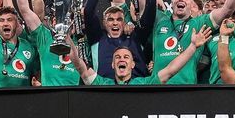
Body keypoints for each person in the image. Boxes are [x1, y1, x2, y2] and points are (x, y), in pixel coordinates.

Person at [152, 0, 235, 85]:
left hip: (186, 89)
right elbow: (143, 3)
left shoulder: (200, 22)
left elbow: (227, 9)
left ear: (192, 4)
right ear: (172, 2)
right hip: (157, 87)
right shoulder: (160, 19)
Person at [68, 25, 212, 85]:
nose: (121, 59)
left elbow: (170, 70)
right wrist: (66, 36)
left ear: (133, 64)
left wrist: (192, 47)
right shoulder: (103, 84)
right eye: (117, 57)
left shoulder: (144, 84)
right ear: (112, 64)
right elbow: (79, 66)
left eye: (126, 57)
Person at [84, 0, 157, 79]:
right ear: (104, 23)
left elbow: (150, 15)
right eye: (110, 19)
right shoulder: (97, 37)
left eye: (119, 19)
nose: (115, 23)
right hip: (106, 91)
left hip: (137, 91)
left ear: (124, 22)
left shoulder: (135, 36)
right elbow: (88, 12)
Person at [13, 0, 81, 86]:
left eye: (65, 17)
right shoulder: (44, 36)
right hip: (49, 98)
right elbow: (24, 9)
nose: (60, 21)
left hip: (75, 98)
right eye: (56, 18)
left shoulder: (81, 40)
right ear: (51, 21)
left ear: (72, 21)